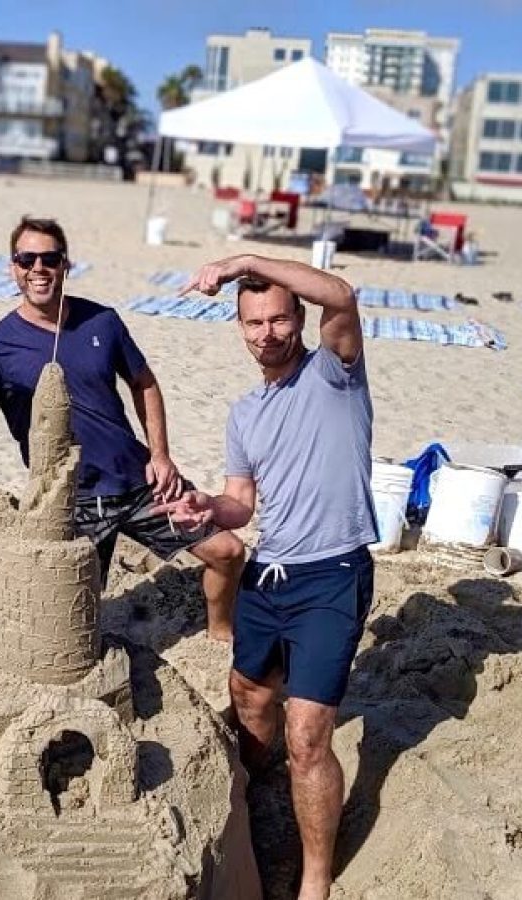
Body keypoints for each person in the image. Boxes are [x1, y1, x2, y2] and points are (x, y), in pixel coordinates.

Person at [153, 254, 375, 900]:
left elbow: (343, 293)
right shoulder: (245, 413)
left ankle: (314, 878)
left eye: (278, 318)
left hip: (333, 574)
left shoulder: (336, 371)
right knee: (249, 696)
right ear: (240, 328)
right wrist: (204, 506)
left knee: (307, 735)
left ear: (298, 318)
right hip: (269, 575)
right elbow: (242, 503)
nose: (266, 333)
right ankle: (249, 792)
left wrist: (245, 259)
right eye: (253, 323)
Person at [0, 216, 245, 633]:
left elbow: (144, 383)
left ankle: (220, 633)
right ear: (13, 267)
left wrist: (160, 455)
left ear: (66, 265)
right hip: (72, 501)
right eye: (26, 258)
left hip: (140, 482)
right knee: (69, 623)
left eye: (49, 258)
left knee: (228, 551)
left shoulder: (102, 321)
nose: (38, 268)